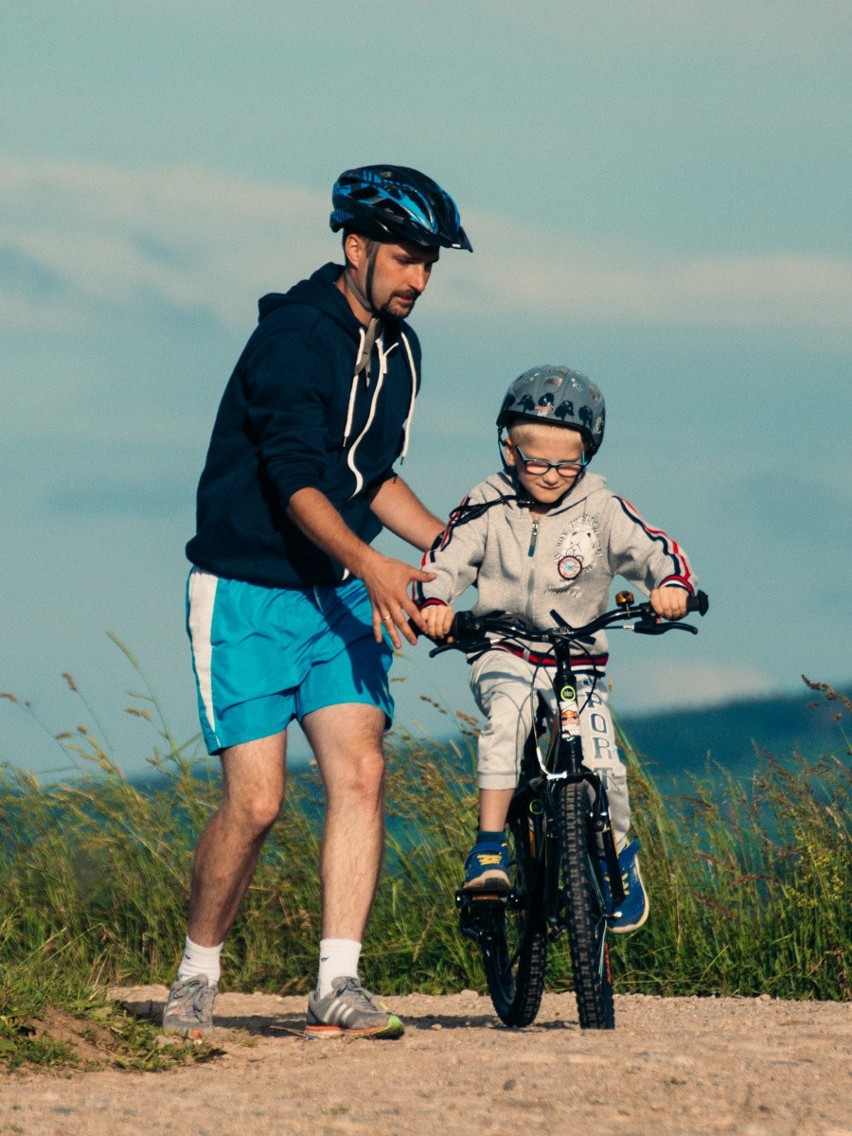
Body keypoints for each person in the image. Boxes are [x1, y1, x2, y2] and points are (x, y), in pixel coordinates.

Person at [163, 165, 472, 1041]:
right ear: (356, 248)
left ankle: (338, 983)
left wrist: (452, 547)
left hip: (335, 590)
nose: (418, 278)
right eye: (407, 259)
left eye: (430, 265)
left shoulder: (401, 352)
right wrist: (374, 569)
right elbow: (296, 479)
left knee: (360, 769)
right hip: (247, 592)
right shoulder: (294, 339)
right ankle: (196, 972)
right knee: (256, 803)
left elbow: (366, 479)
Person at [416, 365, 698, 932]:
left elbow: (654, 551)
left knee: (601, 760)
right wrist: (434, 603)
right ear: (508, 447)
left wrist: (670, 588)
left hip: (576, 658)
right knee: (508, 718)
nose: (550, 474)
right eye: (534, 460)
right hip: (503, 648)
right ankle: (490, 849)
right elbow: (444, 560)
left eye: (567, 462)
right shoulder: (486, 502)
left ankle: (615, 855)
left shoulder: (601, 507)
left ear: (588, 454)